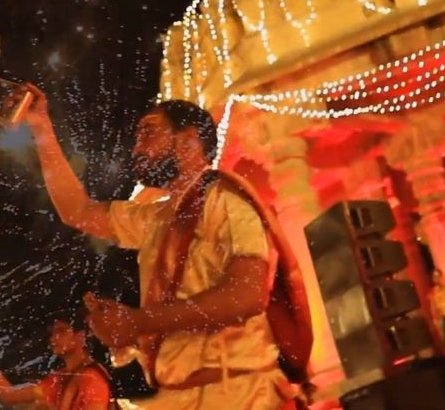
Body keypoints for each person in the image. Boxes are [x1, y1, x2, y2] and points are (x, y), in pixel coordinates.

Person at [22, 89, 311, 409]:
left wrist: (138, 321)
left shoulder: (224, 202)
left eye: (148, 132)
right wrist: (41, 128)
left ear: (188, 140)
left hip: (239, 394)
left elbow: (247, 294)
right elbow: (78, 211)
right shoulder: (157, 218)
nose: (136, 148)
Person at [0, 317, 113, 409]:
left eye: (61, 331)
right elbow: (9, 396)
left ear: (81, 336)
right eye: (52, 333)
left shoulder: (90, 378)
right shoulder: (59, 378)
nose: (52, 339)